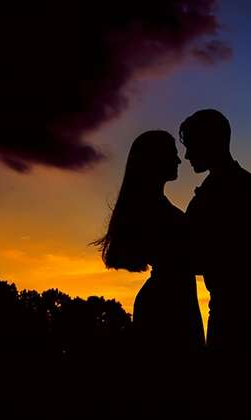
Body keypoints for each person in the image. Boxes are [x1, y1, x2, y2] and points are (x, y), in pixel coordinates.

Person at [91, 130, 205, 417]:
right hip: (169, 301)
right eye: (172, 153)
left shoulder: (153, 207)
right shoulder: (155, 211)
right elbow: (192, 259)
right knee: (169, 391)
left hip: (170, 296)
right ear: (155, 160)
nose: (178, 160)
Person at [180, 109, 251, 417]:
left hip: (240, 308)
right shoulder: (249, 188)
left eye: (192, 145)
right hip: (239, 304)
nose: (187, 155)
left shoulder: (241, 192)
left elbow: (228, 256)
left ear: (214, 142)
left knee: (234, 397)